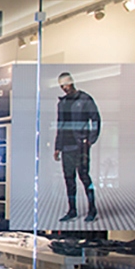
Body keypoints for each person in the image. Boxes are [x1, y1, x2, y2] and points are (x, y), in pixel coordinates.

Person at [53, 72, 101, 222]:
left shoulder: (85, 99)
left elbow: (96, 119)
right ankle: (72, 210)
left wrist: (90, 140)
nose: (64, 87)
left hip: (80, 145)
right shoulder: (62, 103)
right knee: (69, 179)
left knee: (84, 177)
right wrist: (57, 147)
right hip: (66, 147)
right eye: (61, 85)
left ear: (71, 82)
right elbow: (60, 125)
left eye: (65, 84)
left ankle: (92, 209)